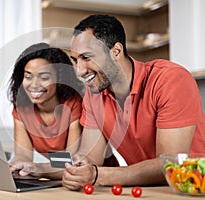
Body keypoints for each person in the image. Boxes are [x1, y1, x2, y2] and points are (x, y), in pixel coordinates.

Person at [62, 14, 205, 190]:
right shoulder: (94, 94)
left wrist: (98, 175)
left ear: (115, 52)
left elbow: (169, 165)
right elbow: (90, 159)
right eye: (75, 60)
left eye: (87, 58)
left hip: (190, 188)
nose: (79, 71)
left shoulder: (170, 79)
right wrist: (56, 170)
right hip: (145, 190)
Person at [8, 42, 84, 179]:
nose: (34, 85)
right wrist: (18, 164)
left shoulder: (74, 103)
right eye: (28, 76)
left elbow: (71, 160)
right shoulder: (21, 107)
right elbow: (23, 154)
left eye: (44, 78)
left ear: (59, 80)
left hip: (93, 177)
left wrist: (40, 168)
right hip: (58, 176)